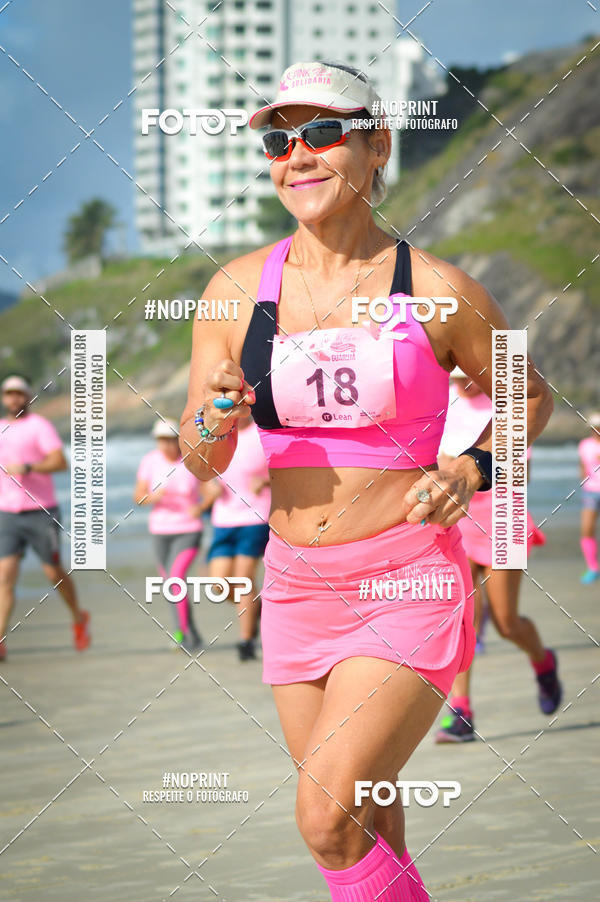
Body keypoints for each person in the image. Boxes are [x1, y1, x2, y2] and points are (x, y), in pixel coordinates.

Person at [178, 60, 553, 900]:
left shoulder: (439, 291)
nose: (297, 155)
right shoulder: (235, 291)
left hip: (407, 579)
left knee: (325, 819)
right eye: (279, 140)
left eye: (322, 132)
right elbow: (199, 455)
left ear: (377, 144)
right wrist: (214, 420)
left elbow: (527, 396)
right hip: (296, 588)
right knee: (370, 817)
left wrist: (473, 463)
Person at [434, 369, 559, 744]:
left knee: (506, 622)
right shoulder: (443, 408)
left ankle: (543, 662)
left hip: (502, 516)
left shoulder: (508, 410)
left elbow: (523, 471)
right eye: (456, 378)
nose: (463, 383)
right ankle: (461, 712)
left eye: (469, 375)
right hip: (457, 517)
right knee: (461, 618)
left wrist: (470, 468)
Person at [0, 374, 91, 661]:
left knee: (53, 572)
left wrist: (28, 467)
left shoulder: (39, 426)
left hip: (42, 511)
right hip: (7, 514)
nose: (14, 398)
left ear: (28, 396)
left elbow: (60, 461)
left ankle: (78, 616)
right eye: (9, 394)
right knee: (4, 578)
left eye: (19, 394)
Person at [134, 419, 210, 651]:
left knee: (175, 578)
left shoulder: (191, 460)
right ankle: (192, 633)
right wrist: (152, 498)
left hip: (188, 529)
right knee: (171, 584)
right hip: (160, 531)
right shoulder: (149, 461)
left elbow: (212, 491)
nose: (166, 445)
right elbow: (138, 496)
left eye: (170, 439)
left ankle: (182, 635)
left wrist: (200, 507)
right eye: (161, 440)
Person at [203, 416, 270, 661]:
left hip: (256, 515)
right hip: (223, 519)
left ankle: (246, 642)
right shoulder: (219, 434)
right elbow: (202, 472)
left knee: (243, 579)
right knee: (218, 585)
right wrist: (208, 488)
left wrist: (265, 481)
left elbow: (284, 472)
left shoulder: (262, 433)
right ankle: (256, 608)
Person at [578, 411, 600, 584]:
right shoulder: (585, 445)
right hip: (590, 491)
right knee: (586, 529)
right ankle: (593, 568)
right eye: (594, 428)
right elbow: (582, 468)